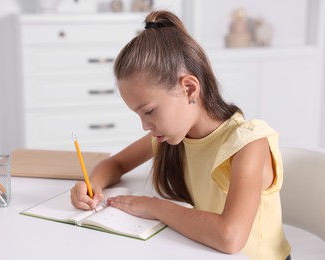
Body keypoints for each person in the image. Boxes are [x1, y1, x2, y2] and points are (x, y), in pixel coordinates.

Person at [71, 10, 291, 259]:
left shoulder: (248, 143)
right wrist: (92, 185)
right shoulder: (171, 136)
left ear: (189, 88)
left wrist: (155, 207)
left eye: (150, 111)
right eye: (139, 115)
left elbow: (230, 237)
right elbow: (117, 163)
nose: (145, 126)